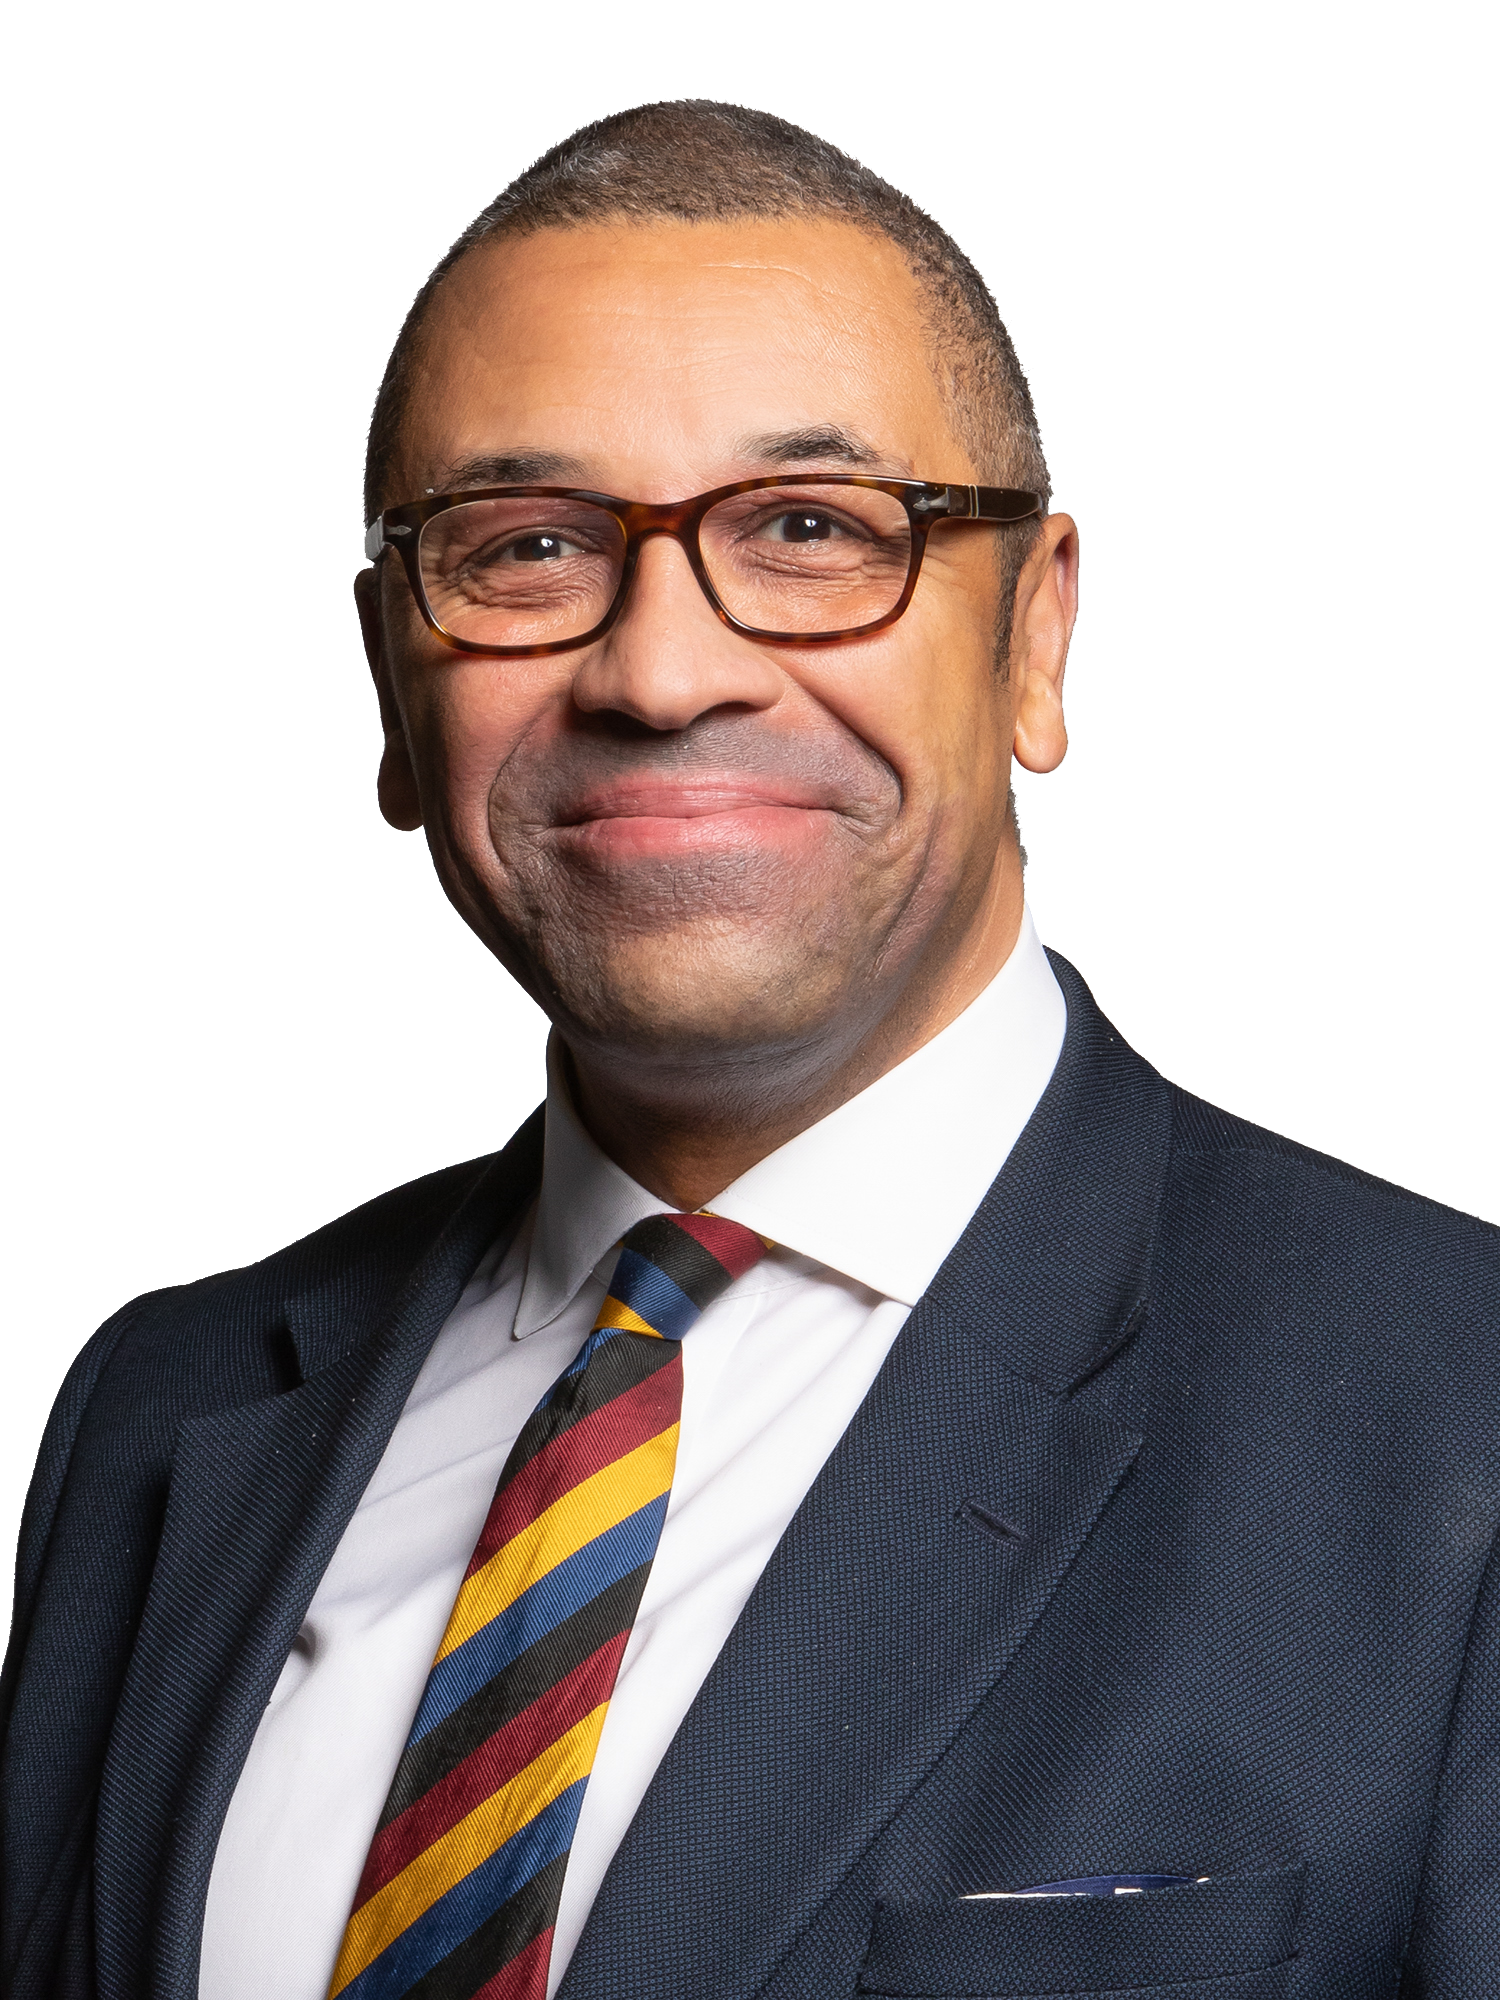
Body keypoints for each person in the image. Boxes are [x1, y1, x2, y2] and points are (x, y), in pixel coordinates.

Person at [3, 97, 1497, 2000]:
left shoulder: (1456, 1419)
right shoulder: (159, 1408)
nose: (661, 670)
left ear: (1035, 640)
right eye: (528, 547)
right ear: (391, 674)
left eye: (808, 530)